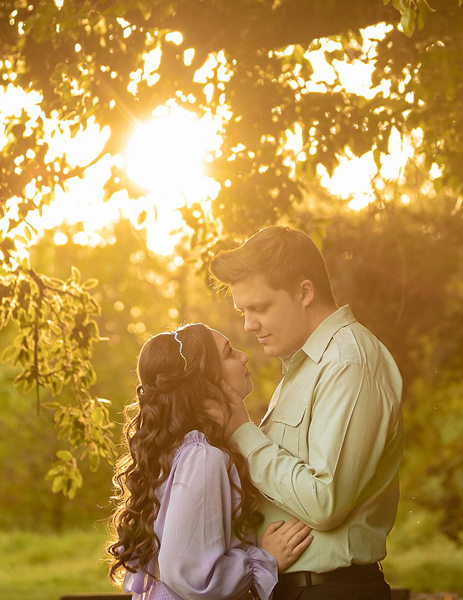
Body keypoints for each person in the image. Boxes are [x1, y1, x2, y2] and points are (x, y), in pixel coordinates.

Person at [210, 226, 405, 600]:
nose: (249, 324)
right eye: (243, 311)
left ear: (304, 292)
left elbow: (324, 501)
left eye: (260, 307)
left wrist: (242, 431)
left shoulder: (348, 364)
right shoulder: (306, 366)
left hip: (332, 592)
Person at [108, 323, 314, 600]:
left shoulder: (179, 451)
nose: (244, 356)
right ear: (205, 381)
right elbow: (194, 576)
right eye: (229, 353)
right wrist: (266, 558)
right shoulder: (204, 458)